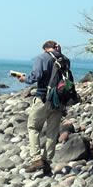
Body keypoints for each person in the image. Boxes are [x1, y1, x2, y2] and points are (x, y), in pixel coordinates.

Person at [19, 40, 68, 173]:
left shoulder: (41, 57)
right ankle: (47, 161)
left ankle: (36, 159)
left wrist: (25, 79)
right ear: (55, 47)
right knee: (52, 131)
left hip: (43, 97)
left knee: (33, 127)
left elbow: (37, 76)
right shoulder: (64, 59)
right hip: (59, 99)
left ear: (44, 49)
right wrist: (60, 52)